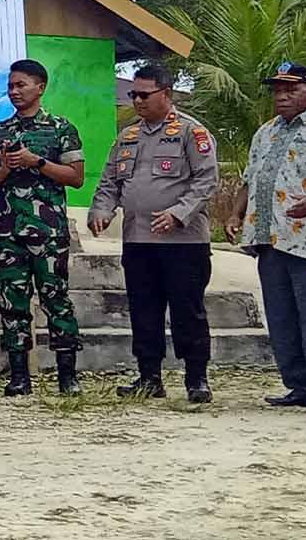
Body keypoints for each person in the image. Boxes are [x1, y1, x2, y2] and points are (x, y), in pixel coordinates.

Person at [87, 63, 219, 403]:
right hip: (138, 240)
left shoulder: (192, 132)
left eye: (145, 95)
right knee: (143, 309)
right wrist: (101, 209)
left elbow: (206, 181)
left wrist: (178, 214)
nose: (138, 101)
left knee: (187, 310)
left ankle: (196, 379)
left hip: (183, 243)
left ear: (167, 93)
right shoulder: (128, 136)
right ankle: (149, 377)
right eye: (133, 95)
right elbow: (109, 182)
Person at [225, 62, 306, 414]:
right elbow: (251, 178)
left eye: (291, 89)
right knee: (281, 318)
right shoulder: (266, 132)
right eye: (277, 90)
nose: (281, 96)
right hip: (270, 238)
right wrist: (235, 213)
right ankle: (300, 385)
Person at [0, 58, 85, 396]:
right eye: (10, 86)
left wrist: (36, 162)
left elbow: (76, 178)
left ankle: (67, 376)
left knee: (56, 299)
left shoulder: (60, 128)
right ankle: (19, 376)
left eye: (20, 85)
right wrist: (7, 169)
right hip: (9, 231)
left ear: (40, 86)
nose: (14, 92)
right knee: (12, 302)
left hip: (49, 232)